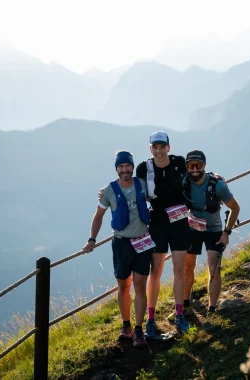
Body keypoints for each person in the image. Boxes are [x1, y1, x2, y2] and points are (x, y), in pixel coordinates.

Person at [82, 150, 154, 348]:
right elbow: (98, 216)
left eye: (127, 166)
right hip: (121, 243)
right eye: (121, 167)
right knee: (123, 286)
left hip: (143, 242)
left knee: (140, 285)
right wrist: (92, 240)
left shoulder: (141, 184)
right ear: (116, 169)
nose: (125, 170)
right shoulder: (108, 191)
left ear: (132, 166)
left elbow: (158, 195)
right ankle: (126, 326)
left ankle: (139, 330)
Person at [135, 131, 191, 337]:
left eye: (162, 147)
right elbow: (133, 190)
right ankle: (151, 318)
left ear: (168, 147)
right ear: (150, 149)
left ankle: (179, 315)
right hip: (157, 222)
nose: (159, 151)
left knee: (179, 268)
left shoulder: (179, 162)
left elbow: (195, 177)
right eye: (155, 147)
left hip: (179, 221)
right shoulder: (144, 168)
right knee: (156, 270)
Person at [182, 150, 240, 317]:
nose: (194, 169)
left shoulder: (218, 186)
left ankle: (212, 310)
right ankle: (185, 304)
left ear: (204, 166)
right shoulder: (184, 183)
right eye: (190, 165)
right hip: (192, 227)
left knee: (213, 268)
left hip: (214, 230)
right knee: (187, 266)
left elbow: (235, 207)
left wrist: (226, 233)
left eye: (197, 165)